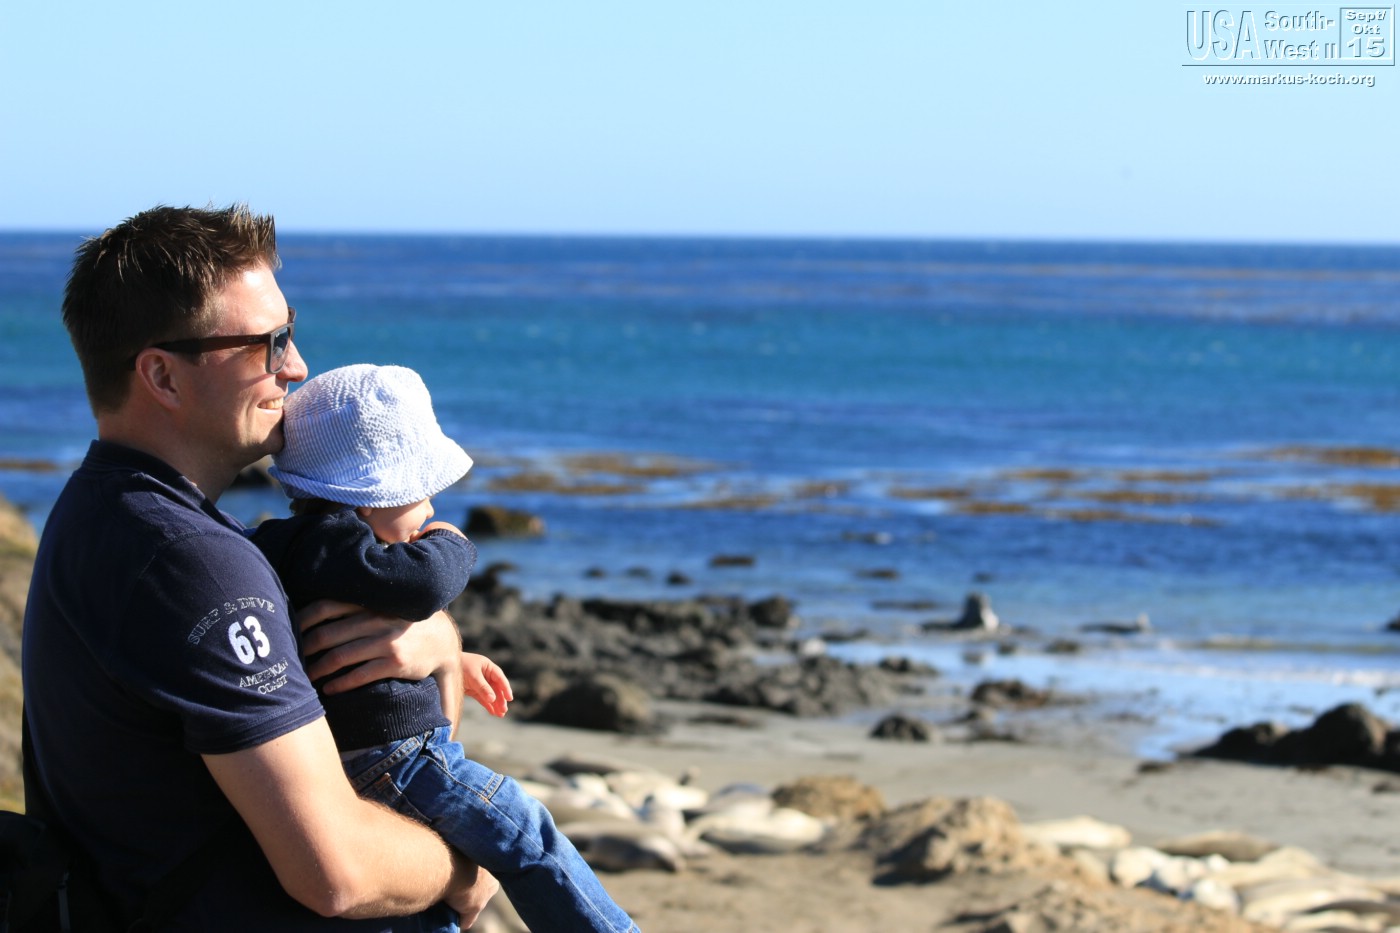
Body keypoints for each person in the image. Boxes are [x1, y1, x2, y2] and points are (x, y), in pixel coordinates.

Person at [21, 204, 498, 931]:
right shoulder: (193, 564)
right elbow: (337, 872)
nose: (296, 367)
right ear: (163, 375)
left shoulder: (103, 510)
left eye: (290, 332)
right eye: (268, 344)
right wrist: (470, 863)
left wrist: (435, 639)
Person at [252, 363, 639, 933]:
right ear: (369, 497)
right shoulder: (335, 540)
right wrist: (452, 542)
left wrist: (452, 656)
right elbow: (425, 583)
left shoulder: (290, 547)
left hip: (364, 761)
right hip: (398, 760)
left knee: (421, 905)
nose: (431, 509)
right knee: (528, 837)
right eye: (420, 493)